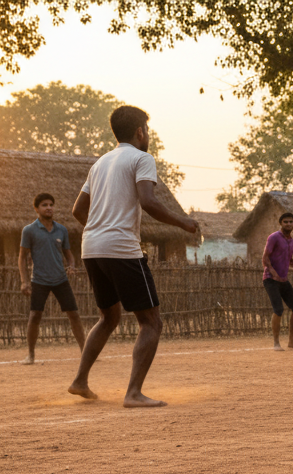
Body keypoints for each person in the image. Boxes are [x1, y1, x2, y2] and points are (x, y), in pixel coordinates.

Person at [67, 105, 198, 407]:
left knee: (108, 317)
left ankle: (80, 380)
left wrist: (100, 229)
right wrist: (183, 222)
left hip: (91, 248)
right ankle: (134, 393)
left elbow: (77, 211)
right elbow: (148, 202)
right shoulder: (142, 158)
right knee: (151, 322)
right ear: (140, 132)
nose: (148, 136)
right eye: (148, 131)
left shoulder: (100, 163)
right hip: (122, 248)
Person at [19, 193, 86, 364]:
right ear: (36, 209)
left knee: (74, 315)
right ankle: (31, 355)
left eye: (51, 204)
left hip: (60, 280)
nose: (48, 208)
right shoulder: (29, 230)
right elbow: (21, 257)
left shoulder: (61, 230)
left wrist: (71, 266)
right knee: (35, 316)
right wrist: (25, 281)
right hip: (39, 280)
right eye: (44, 205)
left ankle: (85, 351)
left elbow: (69, 255)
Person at [262, 212, 293, 350]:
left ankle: (291, 341)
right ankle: (276, 343)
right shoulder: (274, 237)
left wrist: (290, 261)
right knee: (278, 310)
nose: (288, 224)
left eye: (291, 222)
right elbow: (265, 257)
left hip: (283, 280)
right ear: (281, 223)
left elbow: (285, 255)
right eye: (285, 222)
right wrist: (273, 273)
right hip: (270, 279)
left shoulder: (292, 242)